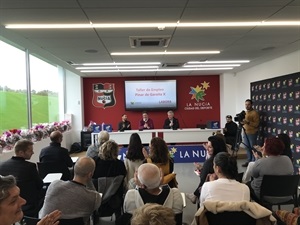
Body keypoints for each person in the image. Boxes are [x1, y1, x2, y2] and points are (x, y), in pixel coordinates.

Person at [40, 157, 101, 225]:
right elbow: (96, 204)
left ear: (74, 169)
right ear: (90, 174)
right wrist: (89, 179)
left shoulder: (54, 184)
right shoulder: (94, 197)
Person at [0, 140, 44, 217]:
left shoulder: (1, 165)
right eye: (30, 150)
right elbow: (40, 185)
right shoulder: (30, 167)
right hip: (31, 204)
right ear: (21, 153)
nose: (33, 152)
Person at [248, 136, 294, 201]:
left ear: (267, 148)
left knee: (247, 185)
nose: (262, 148)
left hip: (264, 196)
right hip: (287, 196)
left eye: (264, 146)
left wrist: (258, 160)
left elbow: (253, 174)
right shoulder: (287, 159)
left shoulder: (261, 162)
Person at [186, 136, 228, 205]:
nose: (207, 149)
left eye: (210, 147)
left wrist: (202, 171)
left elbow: (203, 179)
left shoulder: (209, 163)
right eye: (207, 146)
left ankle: (195, 195)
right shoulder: (229, 158)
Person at [92, 140, 127, 216]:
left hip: (95, 196)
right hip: (115, 198)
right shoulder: (120, 165)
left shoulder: (94, 162)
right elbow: (124, 177)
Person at [241, 99, 260, 167]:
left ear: (251, 105)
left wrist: (248, 122)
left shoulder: (255, 113)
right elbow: (244, 123)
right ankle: (249, 161)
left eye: (248, 104)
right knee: (247, 147)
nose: (247, 106)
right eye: (246, 104)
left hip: (252, 133)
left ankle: (253, 162)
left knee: (253, 148)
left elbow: (256, 124)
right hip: (245, 132)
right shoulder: (245, 113)